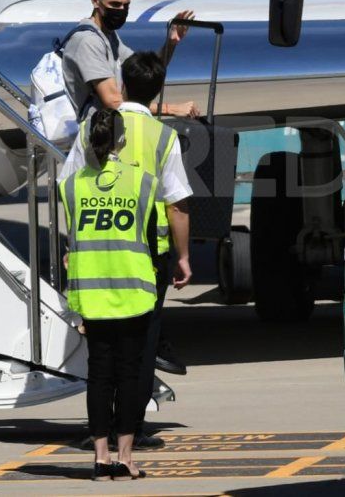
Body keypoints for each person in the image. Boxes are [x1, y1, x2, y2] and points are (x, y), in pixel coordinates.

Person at [60, 109, 158, 482]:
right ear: (122, 140)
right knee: (129, 375)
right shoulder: (142, 182)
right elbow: (148, 234)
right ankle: (126, 457)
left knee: (99, 376)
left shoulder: (70, 186)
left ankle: (100, 459)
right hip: (132, 291)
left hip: (93, 294)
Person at [116, 52, 193, 449]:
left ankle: (101, 428)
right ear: (157, 94)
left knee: (102, 341)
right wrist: (183, 256)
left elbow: (68, 187)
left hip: (97, 250)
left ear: (122, 86)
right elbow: (176, 204)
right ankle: (132, 427)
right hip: (147, 252)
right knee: (143, 339)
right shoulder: (163, 137)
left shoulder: (90, 129)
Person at [59, 0, 197, 181]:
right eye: (115, 4)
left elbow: (144, 73)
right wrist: (172, 109)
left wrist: (171, 43)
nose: (121, 10)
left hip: (114, 138)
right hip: (97, 145)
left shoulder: (108, 36)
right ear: (96, 0)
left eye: (126, 5)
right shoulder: (88, 41)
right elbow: (114, 102)